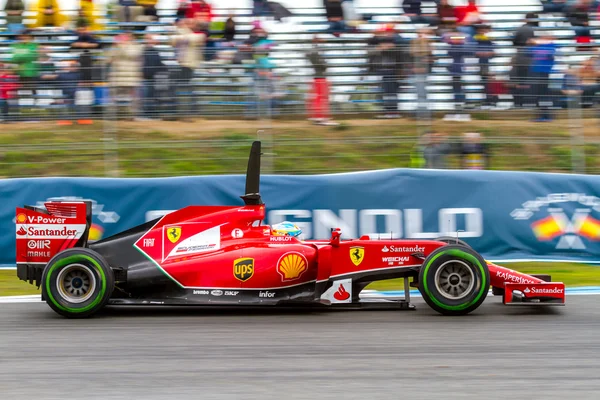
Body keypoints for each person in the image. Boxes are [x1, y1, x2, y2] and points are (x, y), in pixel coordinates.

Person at [367, 24, 406, 118]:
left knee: (391, 91)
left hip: (392, 70)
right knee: (384, 92)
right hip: (380, 70)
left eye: (388, 32)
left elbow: (398, 52)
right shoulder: (374, 42)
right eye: (384, 32)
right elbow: (370, 50)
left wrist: (386, 48)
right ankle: (387, 111)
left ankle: (392, 112)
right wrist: (380, 47)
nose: (386, 34)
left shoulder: (397, 41)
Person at [172, 18, 205, 120]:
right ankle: (190, 110)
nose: (187, 24)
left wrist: (181, 32)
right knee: (185, 87)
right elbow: (173, 40)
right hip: (184, 64)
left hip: (189, 65)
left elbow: (189, 39)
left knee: (185, 87)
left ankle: (189, 111)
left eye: (190, 23)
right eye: (187, 23)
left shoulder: (198, 35)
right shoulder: (185, 33)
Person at [107, 31, 143, 119]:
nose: (126, 38)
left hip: (131, 76)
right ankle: (114, 113)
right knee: (114, 95)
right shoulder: (116, 47)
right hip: (118, 75)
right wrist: (115, 46)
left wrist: (120, 45)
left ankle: (132, 115)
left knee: (133, 96)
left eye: (128, 37)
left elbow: (132, 54)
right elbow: (108, 59)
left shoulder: (135, 47)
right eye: (124, 37)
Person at [306, 35, 338, 126]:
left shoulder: (314, 52)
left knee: (319, 97)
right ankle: (321, 118)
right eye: (319, 40)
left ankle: (319, 117)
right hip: (320, 77)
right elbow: (321, 65)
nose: (322, 41)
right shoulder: (314, 52)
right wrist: (325, 64)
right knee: (321, 98)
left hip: (319, 77)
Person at [529, 34, 556, 122]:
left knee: (543, 95)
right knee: (539, 95)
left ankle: (546, 116)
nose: (541, 39)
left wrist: (535, 44)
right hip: (537, 73)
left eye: (544, 38)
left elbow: (548, 55)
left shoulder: (551, 46)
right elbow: (529, 52)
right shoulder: (539, 47)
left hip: (544, 73)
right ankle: (543, 115)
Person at [409, 27, 433, 119]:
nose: (421, 35)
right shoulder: (414, 43)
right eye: (420, 33)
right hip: (416, 71)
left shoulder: (428, 43)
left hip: (424, 72)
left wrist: (424, 67)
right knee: (419, 91)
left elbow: (430, 58)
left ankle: (423, 111)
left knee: (422, 91)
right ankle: (421, 110)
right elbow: (412, 55)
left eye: (423, 33)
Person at [141, 34, 166, 119]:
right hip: (147, 77)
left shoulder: (154, 51)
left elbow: (159, 64)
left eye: (150, 39)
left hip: (154, 77)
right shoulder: (144, 50)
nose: (148, 40)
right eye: (147, 39)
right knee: (148, 96)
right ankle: (148, 114)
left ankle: (152, 114)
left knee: (153, 96)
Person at [474, 24, 494, 107]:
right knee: (485, 82)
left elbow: (492, 51)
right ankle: (487, 100)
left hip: (485, 63)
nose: (484, 31)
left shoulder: (486, 39)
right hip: (481, 63)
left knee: (486, 82)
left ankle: (487, 100)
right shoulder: (476, 38)